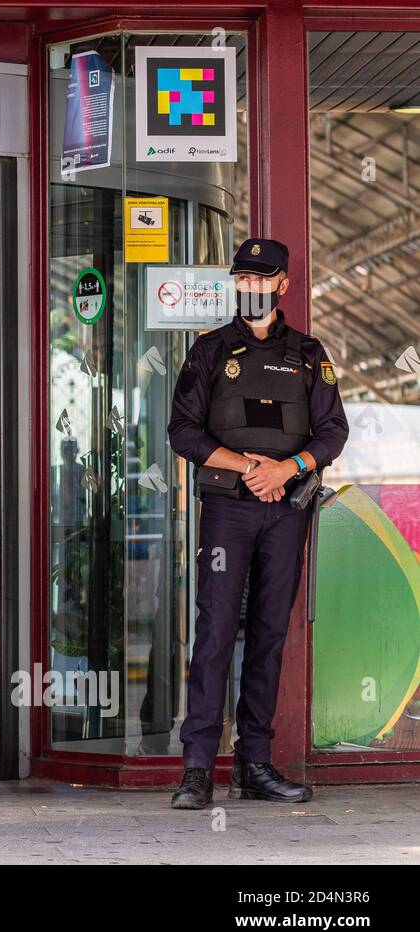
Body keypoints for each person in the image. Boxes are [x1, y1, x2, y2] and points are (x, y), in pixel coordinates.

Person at [166, 237, 348, 810]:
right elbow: (184, 432)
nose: (251, 287)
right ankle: (197, 769)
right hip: (229, 509)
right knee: (216, 631)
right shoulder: (210, 351)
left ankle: (255, 764)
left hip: (285, 509)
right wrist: (249, 467)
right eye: (242, 278)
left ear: (282, 285)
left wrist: (288, 469)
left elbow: (333, 432)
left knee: (269, 635)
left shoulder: (309, 354)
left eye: (262, 278)